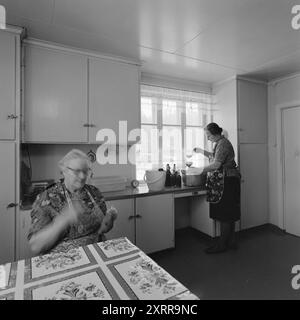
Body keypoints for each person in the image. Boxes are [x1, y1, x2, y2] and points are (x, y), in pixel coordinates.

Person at [28, 149, 117, 255]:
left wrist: (109, 220)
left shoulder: (94, 192)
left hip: (96, 254)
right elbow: (35, 246)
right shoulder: (47, 198)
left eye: (85, 171)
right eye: (77, 171)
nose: (82, 176)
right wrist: (64, 219)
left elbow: (102, 230)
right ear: (64, 171)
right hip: (63, 261)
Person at [193, 123, 241, 254]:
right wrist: (201, 151)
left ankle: (221, 245)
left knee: (225, 214)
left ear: (215, 133)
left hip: (227, 181)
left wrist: (200, 170)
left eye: (208, 135)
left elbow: (216, 164)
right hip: (227, 180)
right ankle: (230, 242)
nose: (207, 138)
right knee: (228, 214)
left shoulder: (223, 144)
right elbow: (215, 156)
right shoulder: (220, 143)